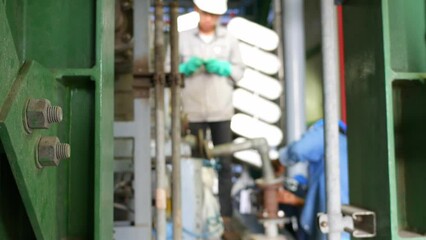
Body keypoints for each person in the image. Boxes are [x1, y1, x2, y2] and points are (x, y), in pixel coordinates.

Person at [175, 0, 245, 237]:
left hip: (220, 111)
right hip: (192, 112)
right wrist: (183, 68)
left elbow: (239, 72)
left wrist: (224, 68)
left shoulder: (229, 39)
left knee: (224, 164)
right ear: (197, 11)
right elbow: (167, 69)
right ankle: (194, 214)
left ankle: (225, 215)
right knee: (194, 164)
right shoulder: (182, 38)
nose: (209, 19)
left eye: (214, 16)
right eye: (206, 14)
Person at [277, 119, 349, 240]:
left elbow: (298, 149)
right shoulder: (344, 151)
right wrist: (295, 200)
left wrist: (281, 160)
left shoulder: (328, 135)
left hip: (333, 229)